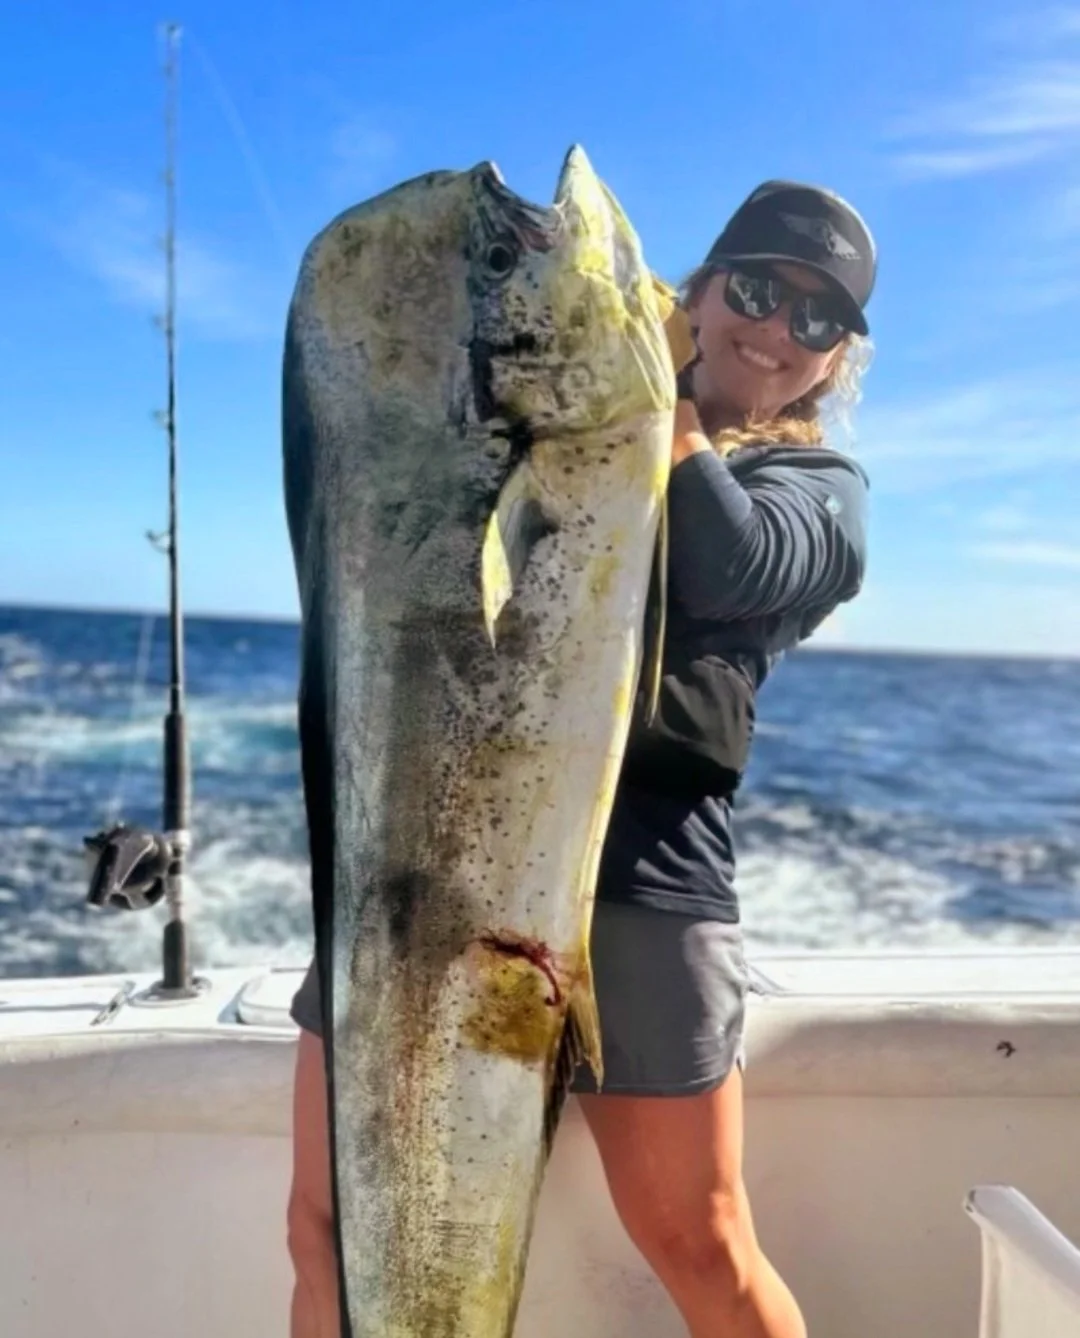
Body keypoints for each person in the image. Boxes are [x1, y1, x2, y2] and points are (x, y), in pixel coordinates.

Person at [285, 178, 876, 1338]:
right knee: (331, 1234)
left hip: (641, 895)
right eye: (757, 289)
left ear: (836, 359)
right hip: (427, 872)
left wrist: (653, 399)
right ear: (700, 291)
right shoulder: (562, 428)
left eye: (819, 320)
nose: (776, 330)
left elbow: (720, 562)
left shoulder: (819, 492)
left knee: (700, 1242)